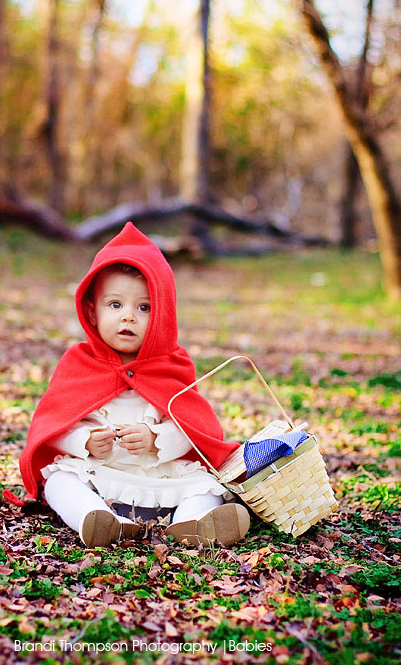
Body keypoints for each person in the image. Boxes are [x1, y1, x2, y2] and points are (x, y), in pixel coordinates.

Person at [15, 222, 250, 548]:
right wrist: (84, 441)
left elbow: (193, 429)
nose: (128, 317)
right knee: (58, 480)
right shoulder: (79, 362)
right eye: (115, 305)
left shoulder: (171, 364)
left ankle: (192, 523)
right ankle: (98, 519)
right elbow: (54, 426)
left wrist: (158, 439)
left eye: (144, 308)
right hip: (101, 473)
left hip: (162, 475)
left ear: (164, 315)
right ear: (92, 312)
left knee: (206, 485)